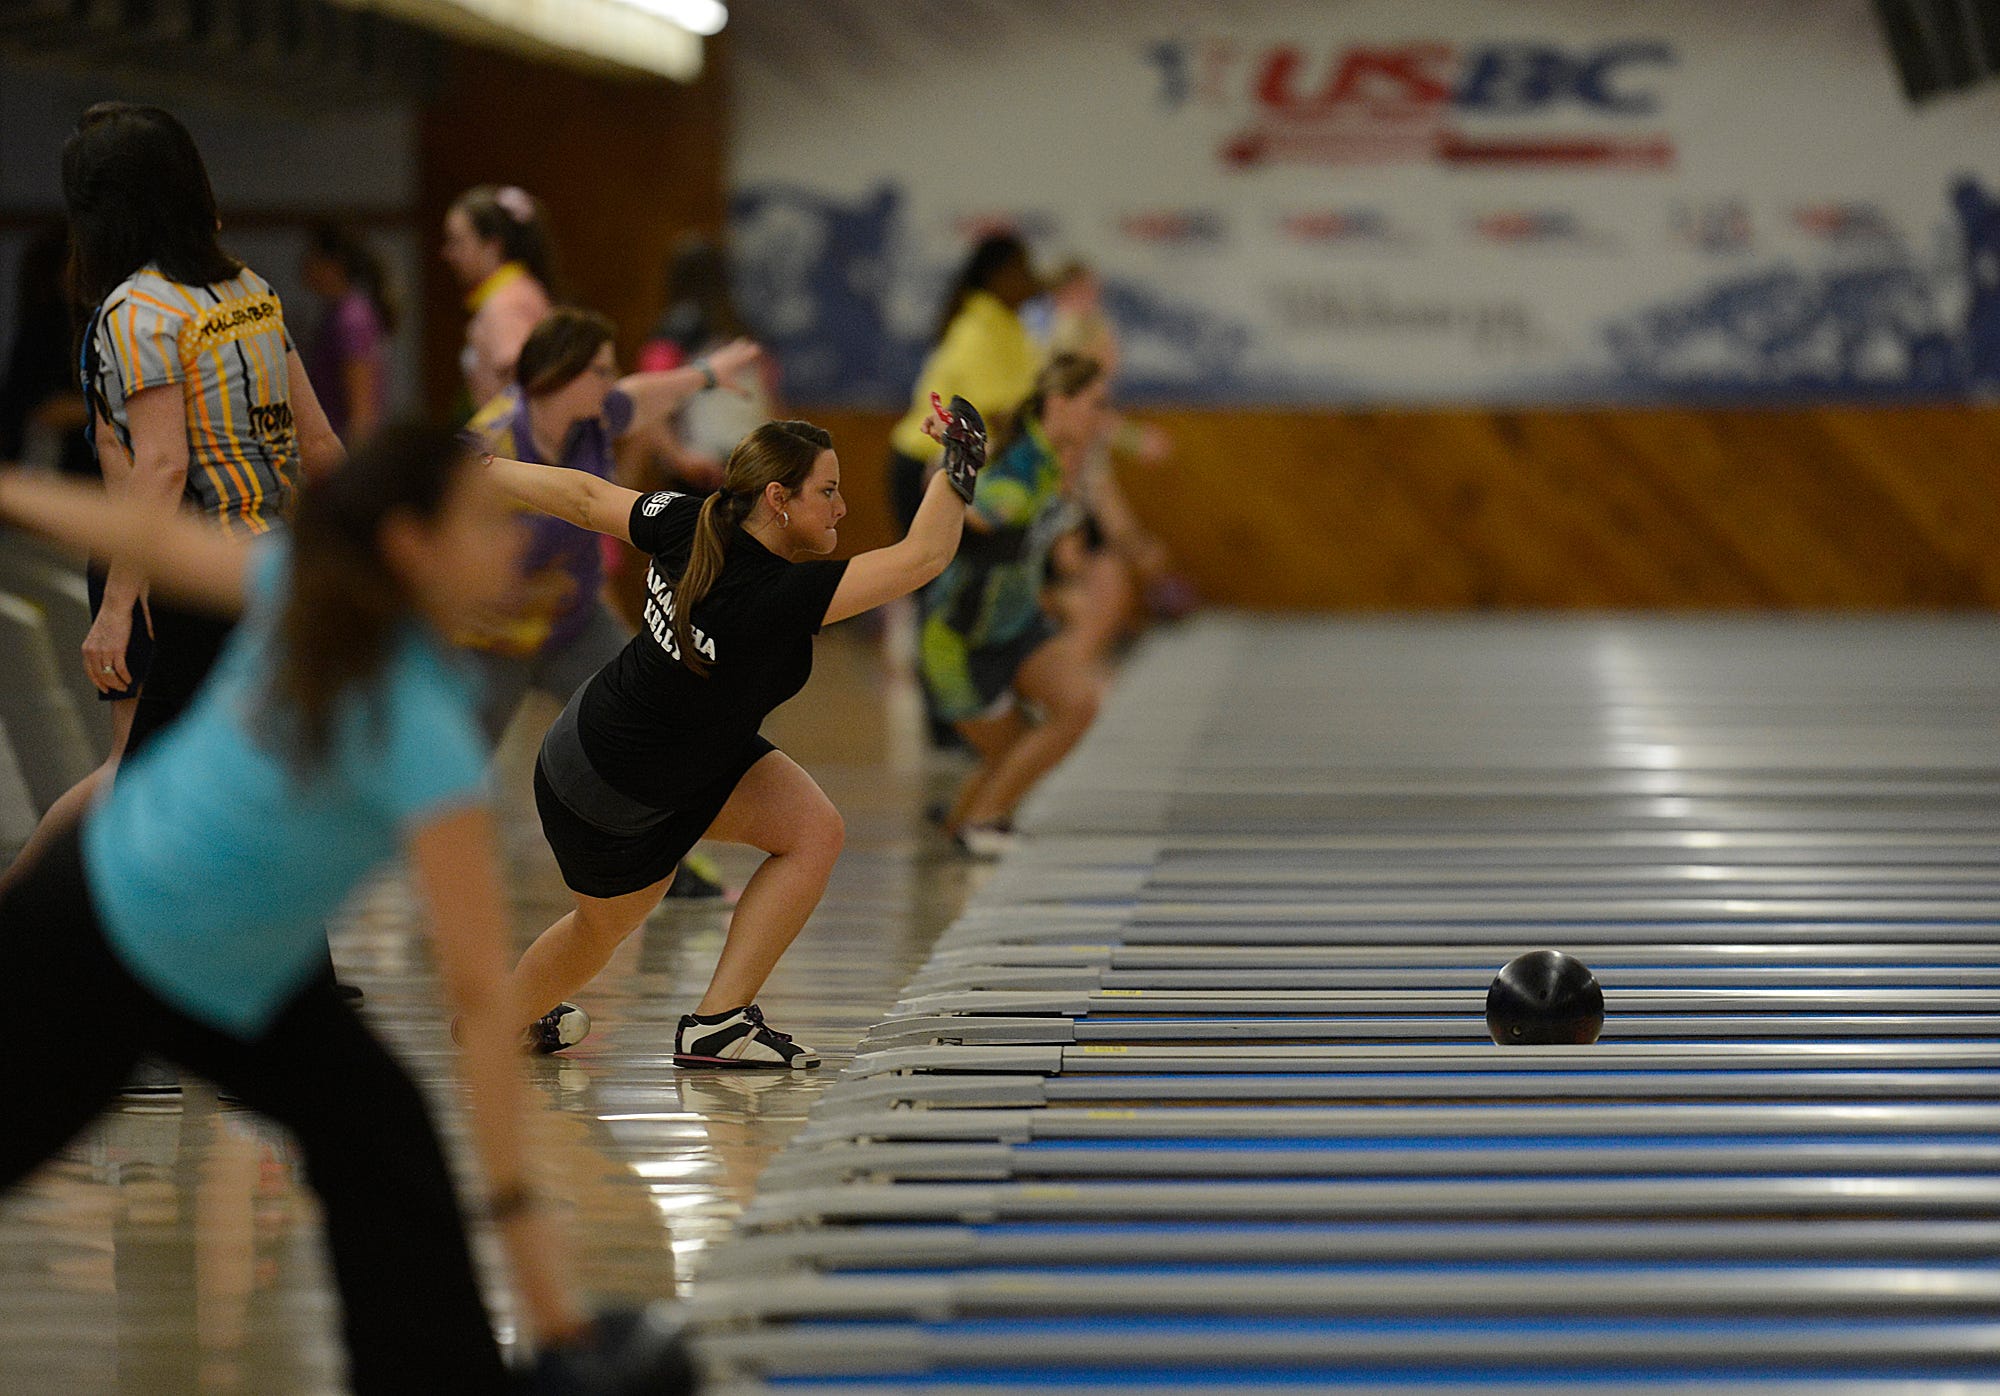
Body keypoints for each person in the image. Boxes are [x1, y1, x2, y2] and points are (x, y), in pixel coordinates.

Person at [0, 426, 591, 1394]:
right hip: (101, 938)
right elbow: (483, 995)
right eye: (487, 526)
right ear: (408, 544)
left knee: (381, 1137)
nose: (514, 546)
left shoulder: (316, 599)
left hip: (233, 967)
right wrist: (527, 1235)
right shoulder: (393, 693)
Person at [482, 396, 989, 1065]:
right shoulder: (776, 597)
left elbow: (582, 498)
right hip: (614, 789)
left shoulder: (699, 518)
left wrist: (482, 469)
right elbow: (921, 558)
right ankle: (500, 1023)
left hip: (602, 741)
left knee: (812, 830)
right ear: (778, 498)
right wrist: (959, 462)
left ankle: (716, 1023)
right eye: (828, 492)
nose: (840, 507)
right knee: (599, 932)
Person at [2, 103, 342, 901]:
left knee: (167, 772)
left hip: (170, 572)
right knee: (184, 770)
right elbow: (320, 444)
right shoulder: (249, 290)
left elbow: (154, 468)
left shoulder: (134, 311)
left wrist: (119, 605)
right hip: (237, 570)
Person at [461, 306, 760, 901]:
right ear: (557, 375)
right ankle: (432, 876)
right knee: (452, 766)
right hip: (490, 640)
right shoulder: (489, 440)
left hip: (575, 624)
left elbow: (642, 395)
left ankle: (668, 859)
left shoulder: (595, 419)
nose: (611, 380)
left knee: (655, 721)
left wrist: (705, 373)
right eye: (599, 370)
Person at [921, 353, 1113, 856]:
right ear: (1060, 403)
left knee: (1077, 706)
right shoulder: (1023, 466)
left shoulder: (1057, 460)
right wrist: (952, 466)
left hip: (1018, 624)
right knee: (1011, 751)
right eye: (1096, 404)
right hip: (961, 640)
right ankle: (975, 825)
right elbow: (981, 515)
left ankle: (977, 823)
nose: (1102, 417)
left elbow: (1050, 549)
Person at [885, 232, 1044, 530]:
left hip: (963, 464)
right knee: (934, 572)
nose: (1031, 278)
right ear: (998, 277)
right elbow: (999, 415)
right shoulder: (976, 332)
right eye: (1023, 270)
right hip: (928, 464)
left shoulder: (1008, 327)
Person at [442, 184, 555, 410]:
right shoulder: (521, 289)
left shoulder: (505, 305)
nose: (447, 253)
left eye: (457, 241)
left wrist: (480, 441)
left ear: (492, 246)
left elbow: (522, 391)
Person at [299, 222, 395, 445]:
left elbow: (362, 414)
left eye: (311, 256)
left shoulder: (351, 318)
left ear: (333, 264)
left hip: (346, 451)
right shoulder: (338, 313)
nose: (304, 264)